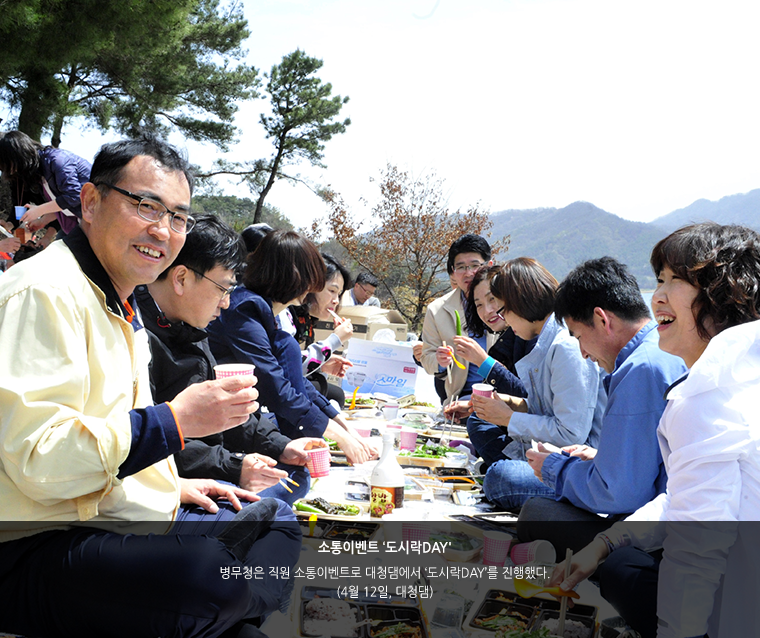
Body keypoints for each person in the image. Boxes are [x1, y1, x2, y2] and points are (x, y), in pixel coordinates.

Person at [0, 136, 300, 638]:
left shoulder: (121, 304)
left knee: (279, 523)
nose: (162, 230)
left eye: (179, 217)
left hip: (118, 515)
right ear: (90, 203)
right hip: (34, 542)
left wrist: (170, 482)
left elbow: (111, 432)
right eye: (145, 206)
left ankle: (222, 616)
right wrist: (177, 422)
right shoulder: (43, 291)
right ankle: (222, 612)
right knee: (208, 578)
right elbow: (40, 462)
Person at [549, 223, 760, 638]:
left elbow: (697, 554)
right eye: (658, 280)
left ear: (722, 292)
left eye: (673, 281)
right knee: (622, 562)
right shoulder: (739, 374)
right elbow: (688, 500)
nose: (656, 296)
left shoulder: (707, 396)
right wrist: (605, 544)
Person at [137, 213, 324, 505]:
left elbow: (229, 412)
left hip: (215, 465)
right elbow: (147, 439)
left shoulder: (192, 328)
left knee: (294, 476)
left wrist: (281, 446)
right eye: (222, 289)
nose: (225, 303)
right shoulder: (136, 334)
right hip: (166, 484)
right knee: (275, 504)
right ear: (182, 278)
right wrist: (235, 466)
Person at [517, 257, 687, 554]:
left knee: (535, 513)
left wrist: (555, 468)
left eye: (580, 337)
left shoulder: (639, 370)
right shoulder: (661, 351)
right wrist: (599, 457)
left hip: (652, 540)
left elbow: (618, 493)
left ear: (601, 319)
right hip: (667, 519)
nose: (583, 353)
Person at [208, 229, 376, 466]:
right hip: (227, 429)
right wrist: (340, 436)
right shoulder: (245, 310)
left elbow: (298, 383)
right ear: (291, 275)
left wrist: (347, 432)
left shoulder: (263, 311)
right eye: (311, 278)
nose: (313, 289)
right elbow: (276, 385)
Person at [469, 257, 606, 509]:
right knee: (479, 421)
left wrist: (509, 419)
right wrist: (513, 404)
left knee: (501, 478)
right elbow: (547, 407)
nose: (505, 321)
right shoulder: (543, 338)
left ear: (521, 302)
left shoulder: (565, 346)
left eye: (504, 311)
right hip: (548, 452)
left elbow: (571, 433)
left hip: (578, 465)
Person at [444, 264, 533, 423]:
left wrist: (484, 361)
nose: (487, 311)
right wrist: (473, 405)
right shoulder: (505, 339)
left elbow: (528, 398)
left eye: (492, 299)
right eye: (479, 305)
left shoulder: (531, 336)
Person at [420, 234, 495, 403]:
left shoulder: (505, 303)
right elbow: (427, 358)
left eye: (475, 265)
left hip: (502, 396)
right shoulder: (437, 310)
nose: (468, 273)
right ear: (453, 271)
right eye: (461, 267)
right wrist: (439, 361)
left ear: (489, 266)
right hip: (459, 398)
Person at [0, 129, 91, 235]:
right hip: (85, 224)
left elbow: (75, 196)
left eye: (6, 165)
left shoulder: (57, 161)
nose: (9, 171)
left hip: (103, 219)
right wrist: (43, 220)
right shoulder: (38, 175)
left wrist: (40, 210)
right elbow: (63, 204)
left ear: (17, 156)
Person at [295, 253, 354, 405]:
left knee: (334, 393)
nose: (335, 300)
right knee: (319, 387)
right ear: (311, 286)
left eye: (339, 294)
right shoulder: (287, 314)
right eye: (332, 291)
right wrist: (335, 340)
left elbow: (297, 360)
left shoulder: (307, 320)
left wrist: (322, 363)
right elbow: (288, 366)